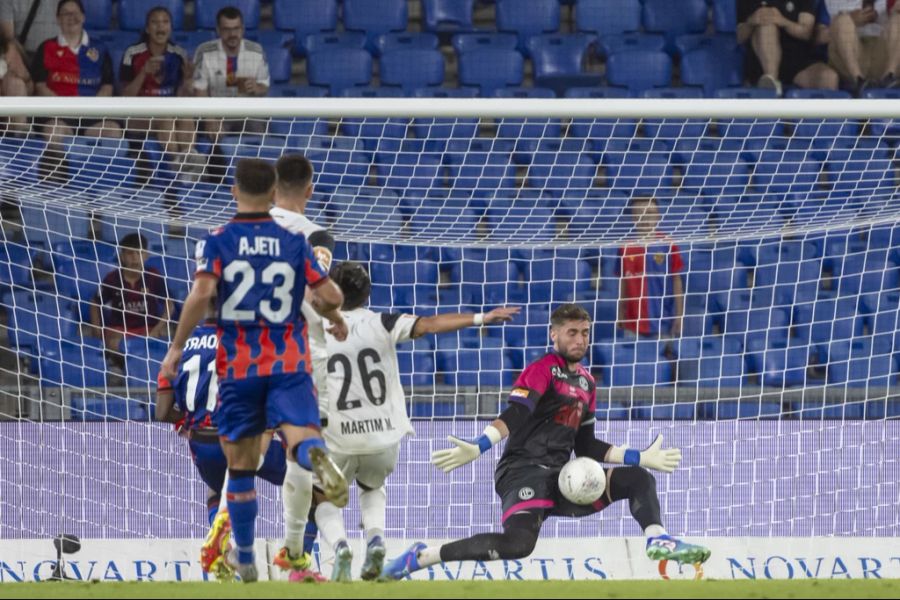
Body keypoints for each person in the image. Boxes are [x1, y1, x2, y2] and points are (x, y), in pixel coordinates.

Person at [381, 303, 710, 580]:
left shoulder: (587, 383)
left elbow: (587, 447)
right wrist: (481, 444)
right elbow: (517, 413)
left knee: (637, 478)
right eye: (572, 332)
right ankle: (423, 556)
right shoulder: (542, 369)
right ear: (554, 334)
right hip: (522, 470)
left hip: (562, 476)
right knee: (519, 545)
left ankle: (659, 540)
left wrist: (638, 456)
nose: (579, 339)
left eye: (584, 333)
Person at [159, 158, 350, 583]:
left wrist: (175, 349)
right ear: (272, 194)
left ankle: (244, 555)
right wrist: (335, 314)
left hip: (240, 365)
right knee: (300, 438)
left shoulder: (219, 240)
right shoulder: (296, 242)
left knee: (242, 464)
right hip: (290, 360)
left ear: (234, 191)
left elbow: (201, 294)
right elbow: (328, 294)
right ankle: (311, 455)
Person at [312, 261, 520, 582]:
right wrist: (483, 317)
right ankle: (376, 540)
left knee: (320, 496)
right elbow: (433, 324)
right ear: (367, 293)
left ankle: (340, 545)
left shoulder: (316, 330)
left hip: (337, 434)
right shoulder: (383, 321)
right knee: (372, 485)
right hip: (383, 435)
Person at [154, 301, 290, 580]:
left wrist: (192, 419)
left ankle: (225, 552)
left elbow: (162, 412)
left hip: (203, 446)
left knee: (217, 491)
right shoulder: (247, 342)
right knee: (304, 480)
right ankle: (301, 555)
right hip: (240, 439)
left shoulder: (181, 347)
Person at [267, 154, 335, 578]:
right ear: (309, 190)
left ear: (272, 188)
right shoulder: (316, 235)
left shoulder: (243, 229)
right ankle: (298, 560)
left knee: (240, 458)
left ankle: (222, 549)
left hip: (250, 353)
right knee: (307, 459)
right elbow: (319, 293)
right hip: (306, 356)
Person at [31, 0, 121, 178]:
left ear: (84, 17)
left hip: (91, 115)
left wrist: (89, 108)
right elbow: (40, 86)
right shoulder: (46, 47)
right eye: (65, 13)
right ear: (57, 19)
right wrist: (66, 107)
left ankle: (98, 183)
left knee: (112, 131)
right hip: (57, 115)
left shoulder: (100, 49)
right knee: (53, 132)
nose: (71, 17)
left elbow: (107, 86)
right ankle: (59, 185)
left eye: (76, 13)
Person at [120, 6, 202, 180]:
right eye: (155, 22)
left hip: (170, 115)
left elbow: (181, 98)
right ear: (148, 29)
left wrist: (187, 81)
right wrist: (143, 72)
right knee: (166, 118)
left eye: (165, 22)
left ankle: (185, 163)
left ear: (171, 28)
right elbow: (124, 98)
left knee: (186, 117)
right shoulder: (132, 53)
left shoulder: (178, 54)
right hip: (137, 117)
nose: (160, 26)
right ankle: (180, 167)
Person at [192, 5, 269, 152]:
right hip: (217, 113)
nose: (232, 34)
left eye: (236, 29)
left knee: (256, 130)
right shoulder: (204, 51)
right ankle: (218, 173)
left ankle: (256, 172)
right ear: (218, 30)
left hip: (248, 113)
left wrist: (257, 87)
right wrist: (209, 118)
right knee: (215, 138)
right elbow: (199, 89)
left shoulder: (257, 51)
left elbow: (264, 85)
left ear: (243, 29)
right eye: (227, 29)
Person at [89, 232, 173, 363]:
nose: (134, 258)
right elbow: (95, 303)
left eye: (138, 253)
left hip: (147, 329)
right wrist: (96, 328)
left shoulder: (154, 276)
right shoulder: (112, 278)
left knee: (167, 342)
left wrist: (158, 328)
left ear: (146, 255)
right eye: (129, 253)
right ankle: (119, 368)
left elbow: (169, 304)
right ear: (122, 256)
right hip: (120, 329)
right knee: (113, 342)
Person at [617, 197, 684, 344]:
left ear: (658, 216)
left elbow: (676, 280)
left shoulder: (669, 245)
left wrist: (679, 315)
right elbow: (623, 282)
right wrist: (620, 313)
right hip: (632, 323)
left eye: (650, 213)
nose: (645, 218)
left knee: (661, 364)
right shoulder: (625, 247)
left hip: (662, 320)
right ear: (633, 217)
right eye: (640, 213)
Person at [737, 0, 839, 96]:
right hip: (762, 63)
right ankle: (772, 81)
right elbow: (738, 37)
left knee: (829, 77)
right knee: (767, 25)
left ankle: (825, 114)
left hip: (797, 60)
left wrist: (781, 20)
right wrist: (751, 22)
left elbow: (806, 33)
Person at [817, 0, 900, 94]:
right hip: (850, 55)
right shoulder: (830, 2)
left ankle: (889, 78)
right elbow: (818, 37)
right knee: (843, 20)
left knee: (898, 19)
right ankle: (859, 81)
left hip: (881, 56)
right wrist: (852, 20)